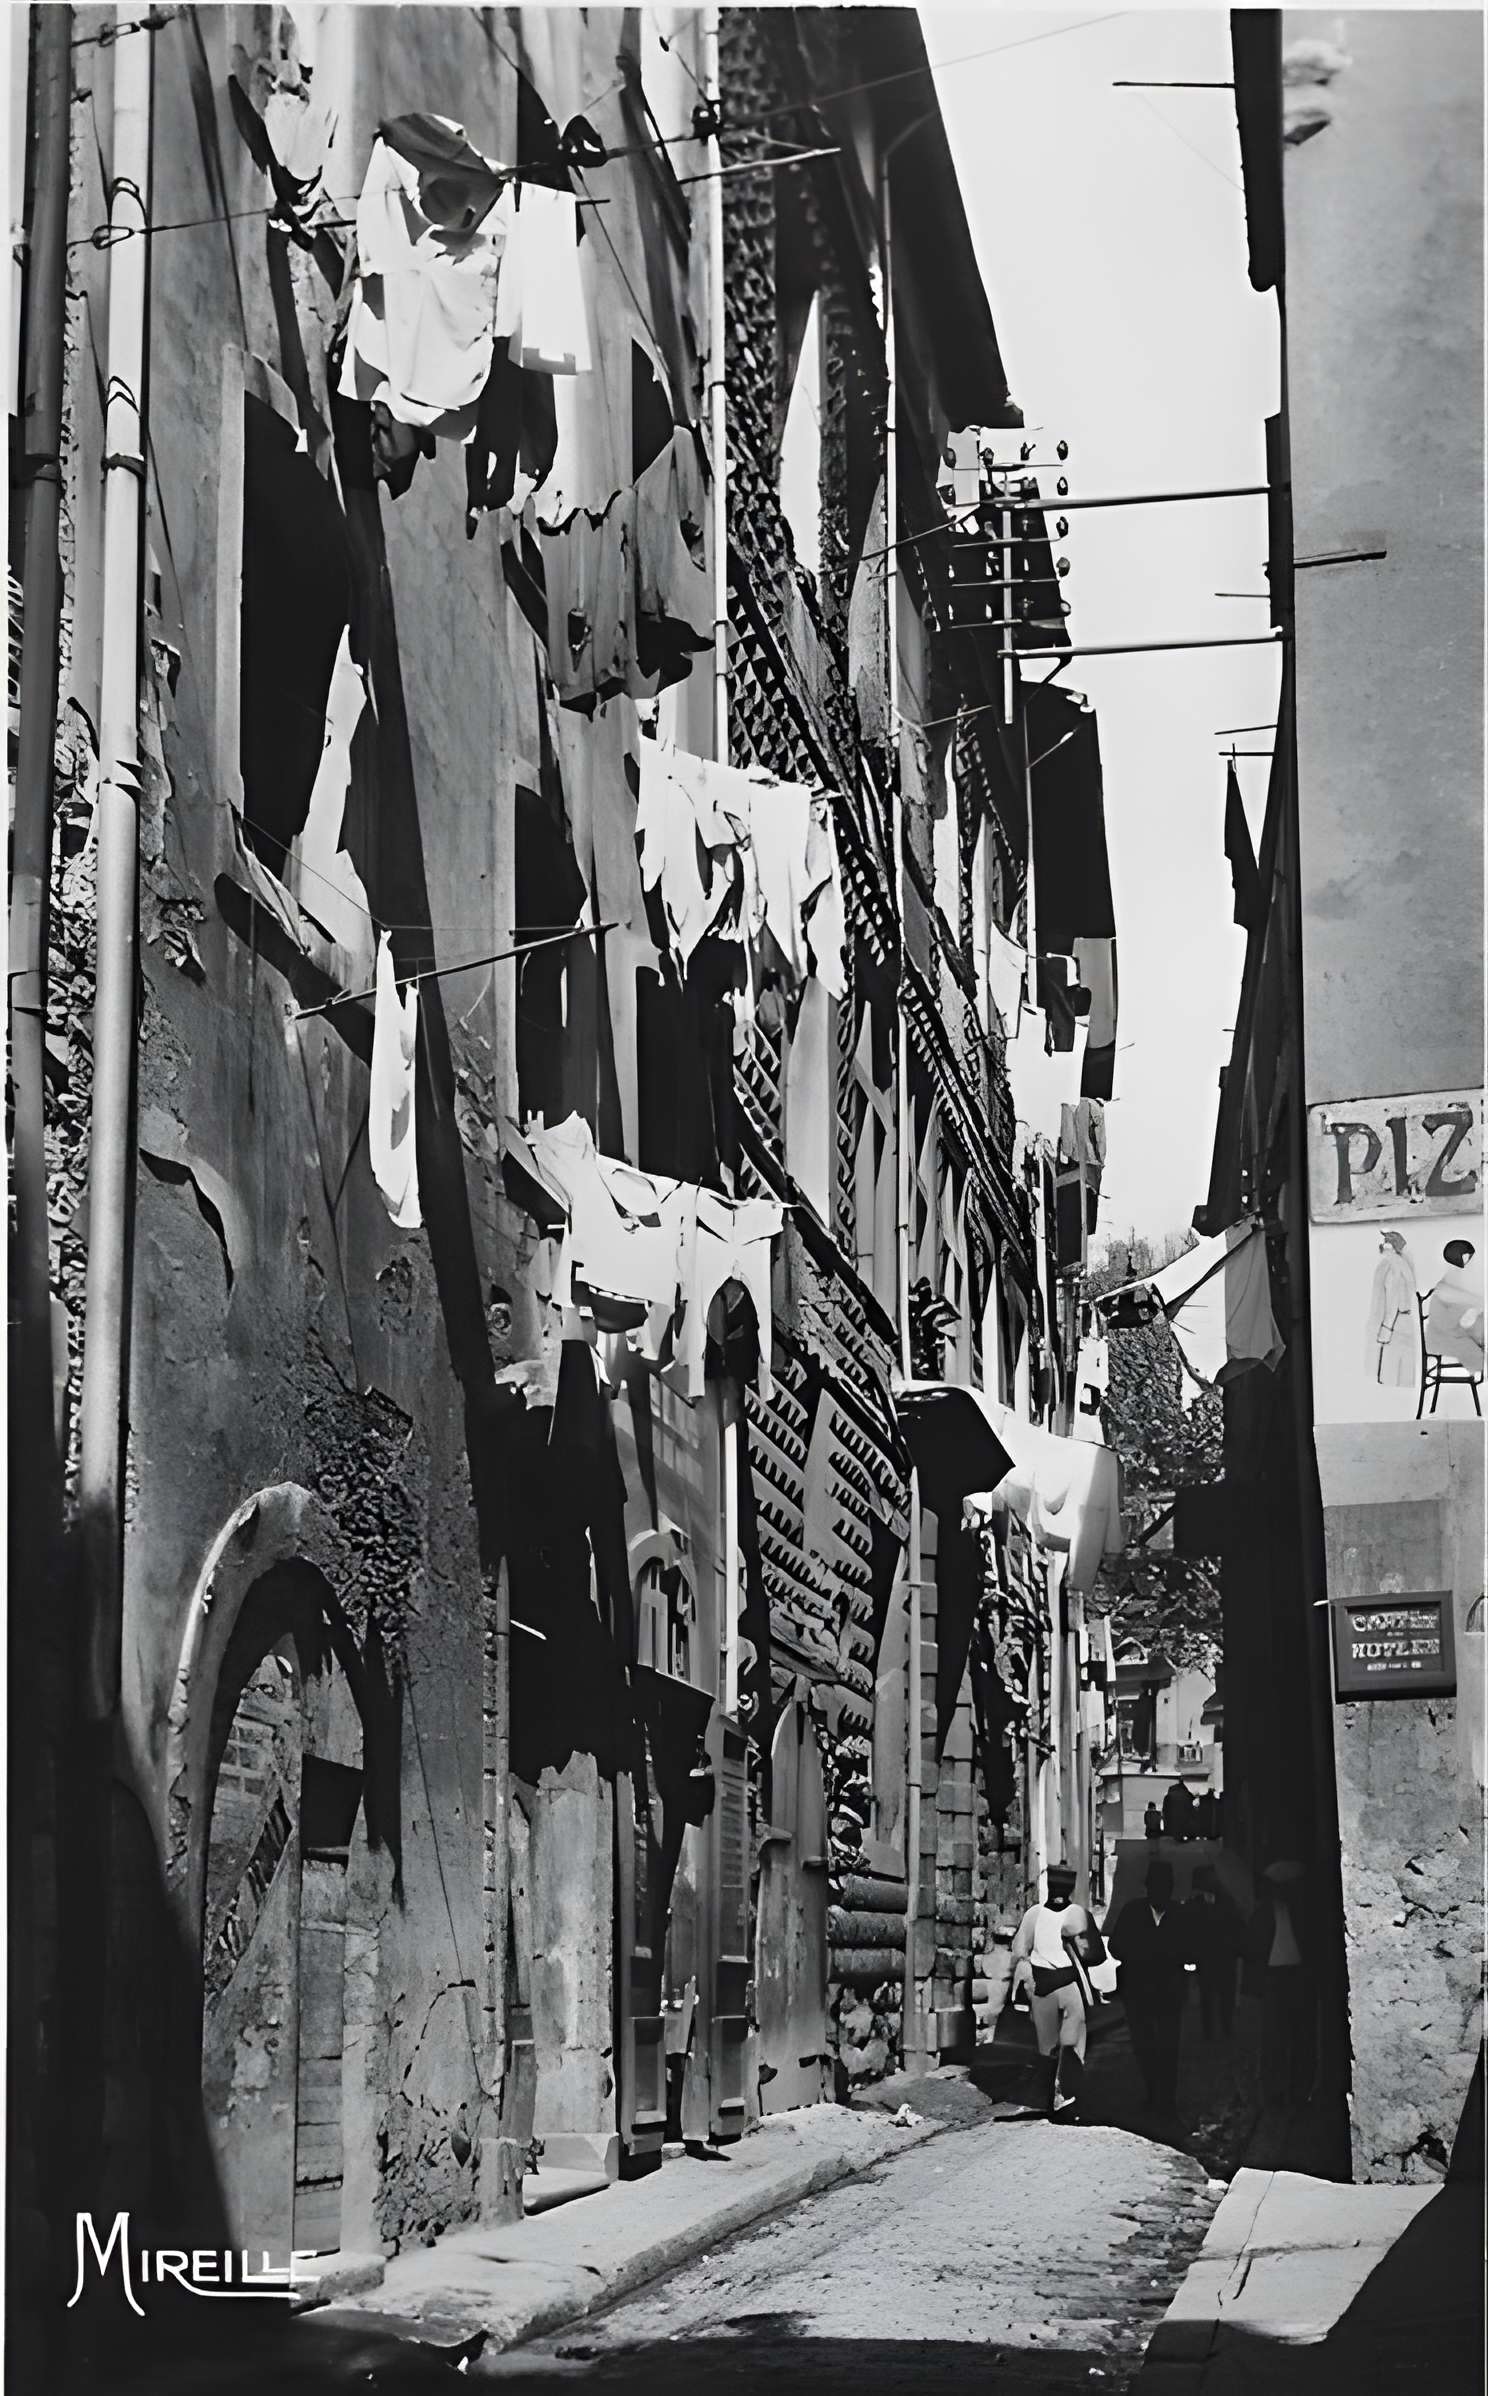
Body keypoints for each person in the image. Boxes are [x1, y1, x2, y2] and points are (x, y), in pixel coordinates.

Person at [1010, 1864, 1097, 2123]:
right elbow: (1019, 1950)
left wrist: (1077, 1944)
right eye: (1056, 1886)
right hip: (1049, 1985)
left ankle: (1066, 2096)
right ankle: (1057, 2097)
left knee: (1065, 2043)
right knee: (1051, 2045)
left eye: (1063, 1887)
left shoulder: (1074, 1915)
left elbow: (1096, 1954)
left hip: (1059, 1984)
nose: (1059, 1892)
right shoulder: (1038, 1915)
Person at [1110, 1859, 1192, 2118]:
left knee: (1169, 2045)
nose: (1160, 1891)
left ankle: (1166, 2098)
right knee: (1144, 2045)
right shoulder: (1132, 1911)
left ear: (1170, 1888)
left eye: (1164, 1886)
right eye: (1156, 1886)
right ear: (1149, 1888)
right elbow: (1114, 1946)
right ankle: (1153, 2092)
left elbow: (1193, 1948)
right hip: (1138, 1991)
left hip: (1169, 1992)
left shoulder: (1181, 1914)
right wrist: (1138, 1955)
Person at [1248, 1858, 1315, 2107]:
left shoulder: (1302, 1913)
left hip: (1297, 1978)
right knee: (1274, 2039)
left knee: (1301, 2038)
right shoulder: (1263, 1912)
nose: (1281, 1891)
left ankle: (1299, 2091)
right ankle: (1274, 2093)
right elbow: (1251, 1946)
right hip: (1273, 1980)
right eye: (1277, 1886)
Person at [1186, 1865, 1243, 2041]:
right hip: (1210, 1954)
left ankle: (1222, 2028)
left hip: (1221, 1953)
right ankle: (1212, 2030)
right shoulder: (1197, 1902)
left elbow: (1234, 1923)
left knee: (1222, 1994)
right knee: (1209, 1996)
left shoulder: (1225, 1899)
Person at [1365, 1229, 1418, 1388]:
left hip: (1396, 1323)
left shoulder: (1392, 1265)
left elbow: (1394, 1299)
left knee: (1390, 1373)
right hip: (1407, 1320)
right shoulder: (1404, 1264)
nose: (1381, 1246)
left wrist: (1386, 1329)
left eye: (1385, 1242)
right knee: (1406, 1371)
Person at [1425, 1239, 1485, 1375]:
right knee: (1472, 1349)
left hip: (1459, 1332)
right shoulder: (1445, 1288)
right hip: (1443, 1337)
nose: (1473, 1264)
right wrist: (1471, 1307)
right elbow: (1445, 1323)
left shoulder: (1462, 1281)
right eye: (1470, 1259)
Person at [1162, 1777, 1195, 1843]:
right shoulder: (1186, 1793)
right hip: (1183, 1818)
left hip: (1173, 1818)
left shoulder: (1170, 1795)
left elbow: (1165, 1810)